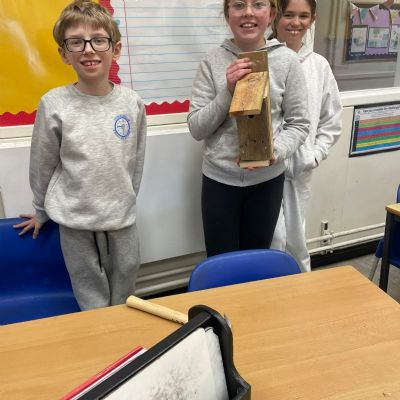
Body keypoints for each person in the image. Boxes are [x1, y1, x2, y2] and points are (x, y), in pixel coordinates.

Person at [13, 0, 147, 310]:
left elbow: (136, 160)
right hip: (75, 221)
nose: (88, 50)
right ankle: (98, 331)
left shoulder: (132, 102)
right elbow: (42, 163)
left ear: (115, 49)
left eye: (98, 40)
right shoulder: (54, 104)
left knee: (126, 282)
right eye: (76, 42)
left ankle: (121, 330)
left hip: (121, 218)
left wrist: (126, 199)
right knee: (89, 289)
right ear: (64, 53)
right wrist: (41, 209)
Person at [188, 0, 309, 257]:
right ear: (227, 14)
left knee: (256, 262)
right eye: (239, 5)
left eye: (258, 4)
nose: (248, 13)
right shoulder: (211, 62)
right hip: (219, 181)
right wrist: (228, 92)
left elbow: (299, 123)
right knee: (221, 262)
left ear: (271, 14)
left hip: (267, 182)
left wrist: (274, 151)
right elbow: (197, 128)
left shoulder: (288, 61)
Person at [271, 0, 342, 271]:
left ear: (313, 19)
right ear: (275, 16)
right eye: (288, 14)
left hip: (300, 171)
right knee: (273, 238)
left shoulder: (318, 66)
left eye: (303, 16)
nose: (295, 22)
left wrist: (315, 154)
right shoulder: (263, 59)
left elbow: (331, 119)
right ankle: (269, 290)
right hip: (265, 170)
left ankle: (300, 289)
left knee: (296, 239)